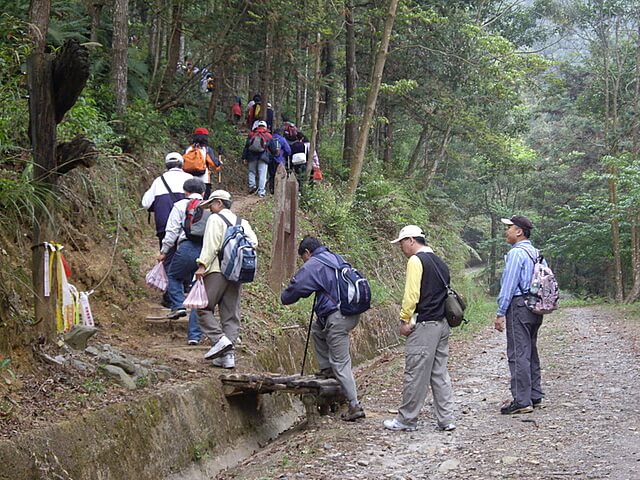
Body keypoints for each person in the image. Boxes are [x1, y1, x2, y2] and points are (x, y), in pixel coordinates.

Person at [280, 236, 365, 422]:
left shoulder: (314, 264)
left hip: (338, 317)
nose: (304, 261)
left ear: (307, 253)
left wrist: (283, 297)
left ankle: (354, 405)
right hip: (350, 313)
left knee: (341, 362)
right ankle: (327, 369)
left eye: (303, 257)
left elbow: (296, 289)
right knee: (318, 329)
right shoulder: (335, 258)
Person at [383, 225, 456, 432]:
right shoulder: (440, 262)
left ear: (412, 240)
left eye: (402, 243)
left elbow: (412, 295)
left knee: (415, 373)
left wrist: (404, 319)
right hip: (442, 325)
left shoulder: (416, 260)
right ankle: (446, 419)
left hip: (424, 325)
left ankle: (406, 420)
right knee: (439, 373)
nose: (401, 248)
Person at [194, 190, 258, 369]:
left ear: (219, 203)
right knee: (230, 315)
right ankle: (228, 357)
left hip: (216, 270)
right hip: (237, 273)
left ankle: (219, 340)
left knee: (202, 307)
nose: (210, 210)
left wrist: (202, 265)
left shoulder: (215, 219)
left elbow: (211, 245)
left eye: (211, 205)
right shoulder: (242, 222)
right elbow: (254, 243)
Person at [495, 215, 545, 415]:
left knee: (518, 353)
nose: (506, 231)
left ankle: (522, 400)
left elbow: (509, 284)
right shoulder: (536, 253)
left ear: (519, 231)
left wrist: (500, 312)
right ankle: (535, 395)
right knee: (531, 350)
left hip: (519, 306)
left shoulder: (516, 254)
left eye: (509, 227)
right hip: (535, 306)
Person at [157, 178, 207, 344]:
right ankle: (194, 336)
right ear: (203, 193)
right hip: (207, 250)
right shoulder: (210, 206)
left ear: (185, 191)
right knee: (198, 291)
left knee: (173, 275)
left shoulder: (180, 205)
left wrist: (164, 251)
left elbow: (171, 231)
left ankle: (178, 305)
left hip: (186, 248)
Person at [183, 128, 223, 200]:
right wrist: (219, 163)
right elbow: (214, 164)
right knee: (203, 202)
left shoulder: (188, 149)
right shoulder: (206, 149)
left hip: (188, 180)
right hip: (203, 180)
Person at [242, 120, 272, 198]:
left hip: (252, 156)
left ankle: (252, 187)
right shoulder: (268, 135)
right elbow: (272, 148)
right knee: (262, 174)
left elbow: (246, 146)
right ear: (265, 127)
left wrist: (244, 157)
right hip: (263, 157)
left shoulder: (252, 134)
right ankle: (261, 192)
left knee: (252, 172)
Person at [267, 128, 291, 195]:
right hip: (280, 160)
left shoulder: (270, 139)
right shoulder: (282, 139)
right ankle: (279, 190)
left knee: (272, 175)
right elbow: (288, 151)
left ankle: (271, 189)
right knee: (280, 175)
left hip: (271, 160)